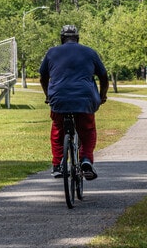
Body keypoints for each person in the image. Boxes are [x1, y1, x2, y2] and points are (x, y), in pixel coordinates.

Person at [39, 25, 109, 181]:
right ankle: (85, 160)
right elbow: (104, 77)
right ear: (77, 38)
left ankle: (58, 164)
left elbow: (43, 78)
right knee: (87, 130)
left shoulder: (52, 52)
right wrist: (102, 96)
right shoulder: (90, 52)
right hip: (85, 99)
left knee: (58, 129)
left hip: (59, 98)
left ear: (62, 38)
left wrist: (48, 96)